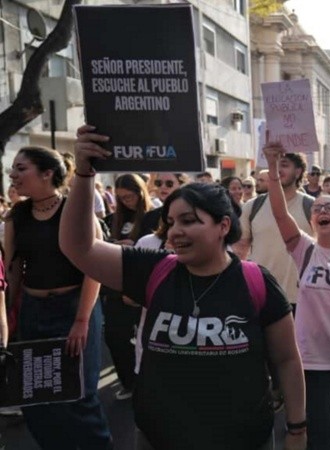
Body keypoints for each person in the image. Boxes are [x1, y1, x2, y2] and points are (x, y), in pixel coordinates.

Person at [61, 125, 307, 450]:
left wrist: (297, 429)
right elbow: (78, 247)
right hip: (159, 438)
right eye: (172, 222)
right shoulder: (152, 269)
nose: (175, 231)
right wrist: (83, 173)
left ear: (223, 226)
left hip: (244, 439)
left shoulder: (257, 282)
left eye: (189, 220)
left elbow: (288, 360)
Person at [264, 142, 330, 450]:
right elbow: (280, 212)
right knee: (321, 432)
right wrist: (272, 167)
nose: (323, 211)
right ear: (311, 220)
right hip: (312, 358)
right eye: (318, 208)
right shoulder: (304, 250)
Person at [5, 146, 111, 449]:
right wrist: (7, 319)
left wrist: (81, 320)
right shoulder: (17, 216)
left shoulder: (76, 209)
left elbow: (95, 269)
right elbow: (12, 271)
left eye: (21, 168)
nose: (13, 175)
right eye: (13, 168)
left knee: (80, 394)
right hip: (33, 312)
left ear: (47, 173)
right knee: (36, 396)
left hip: (75, 310)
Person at [235, 152, 315, 314]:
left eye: (284, 165)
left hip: (301, 299)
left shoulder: (312, 207)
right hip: (260, 295)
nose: (277, 170)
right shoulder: (252, 206)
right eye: (274, 165)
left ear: (298, 172)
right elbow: (240, 250)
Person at [103, 173, 154, 401]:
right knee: (115, 337)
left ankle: (146, 382)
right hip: (116, 286)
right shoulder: (112, 219)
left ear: (140, 192)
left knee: (146, 340)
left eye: (130, 196)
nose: (127, 201)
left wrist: (133, 247)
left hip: (142, 287)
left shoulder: (153, 218)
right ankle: (129, 381)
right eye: (122, 198)